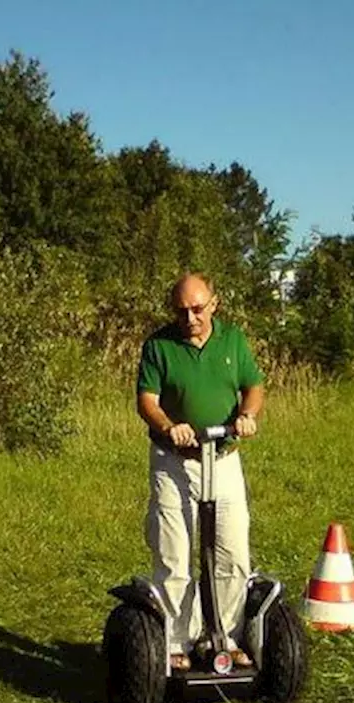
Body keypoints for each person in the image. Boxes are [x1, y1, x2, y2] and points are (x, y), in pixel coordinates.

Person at [136, 273, 266, 672]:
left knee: (232, 552)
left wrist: (247, 416)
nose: (190, 318)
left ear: (214, 303)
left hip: (223, 458)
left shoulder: (233, 341)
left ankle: (225, 637)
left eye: (197, 308)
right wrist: (168, 425)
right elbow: (147, 401)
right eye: (181, 311)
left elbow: (253, 387)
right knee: (174, 552)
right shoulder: (159, 345)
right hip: (174, 462)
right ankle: (176, 642)